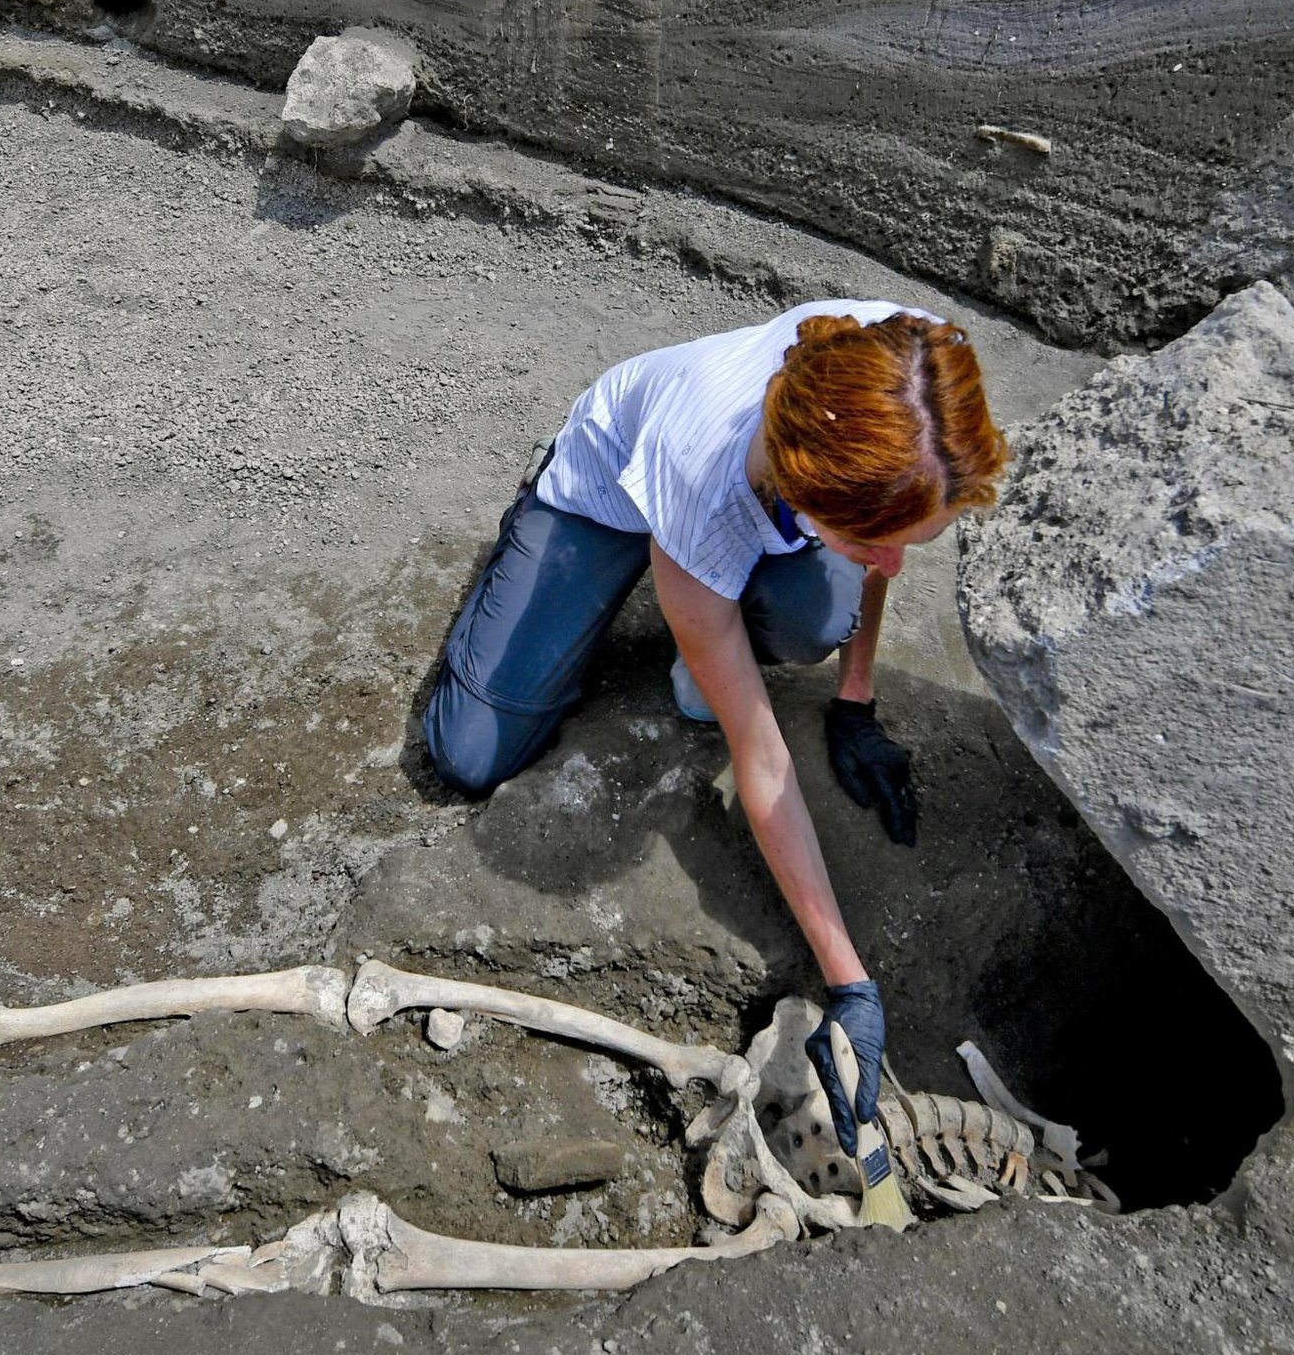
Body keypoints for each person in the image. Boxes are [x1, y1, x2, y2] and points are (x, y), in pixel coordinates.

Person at [420, 300, 1010, 1156]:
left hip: (760, 511)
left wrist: (855, 695)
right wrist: (851, 977)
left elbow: (889, 522)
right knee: (468, 754)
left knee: (817, 618)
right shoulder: (698, 475)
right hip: (609, 490)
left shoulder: (909, 366)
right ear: (807, 487)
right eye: (871, 539)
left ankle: (719, 614)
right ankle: (570, 566)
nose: (895, 564)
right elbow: (760, 755)